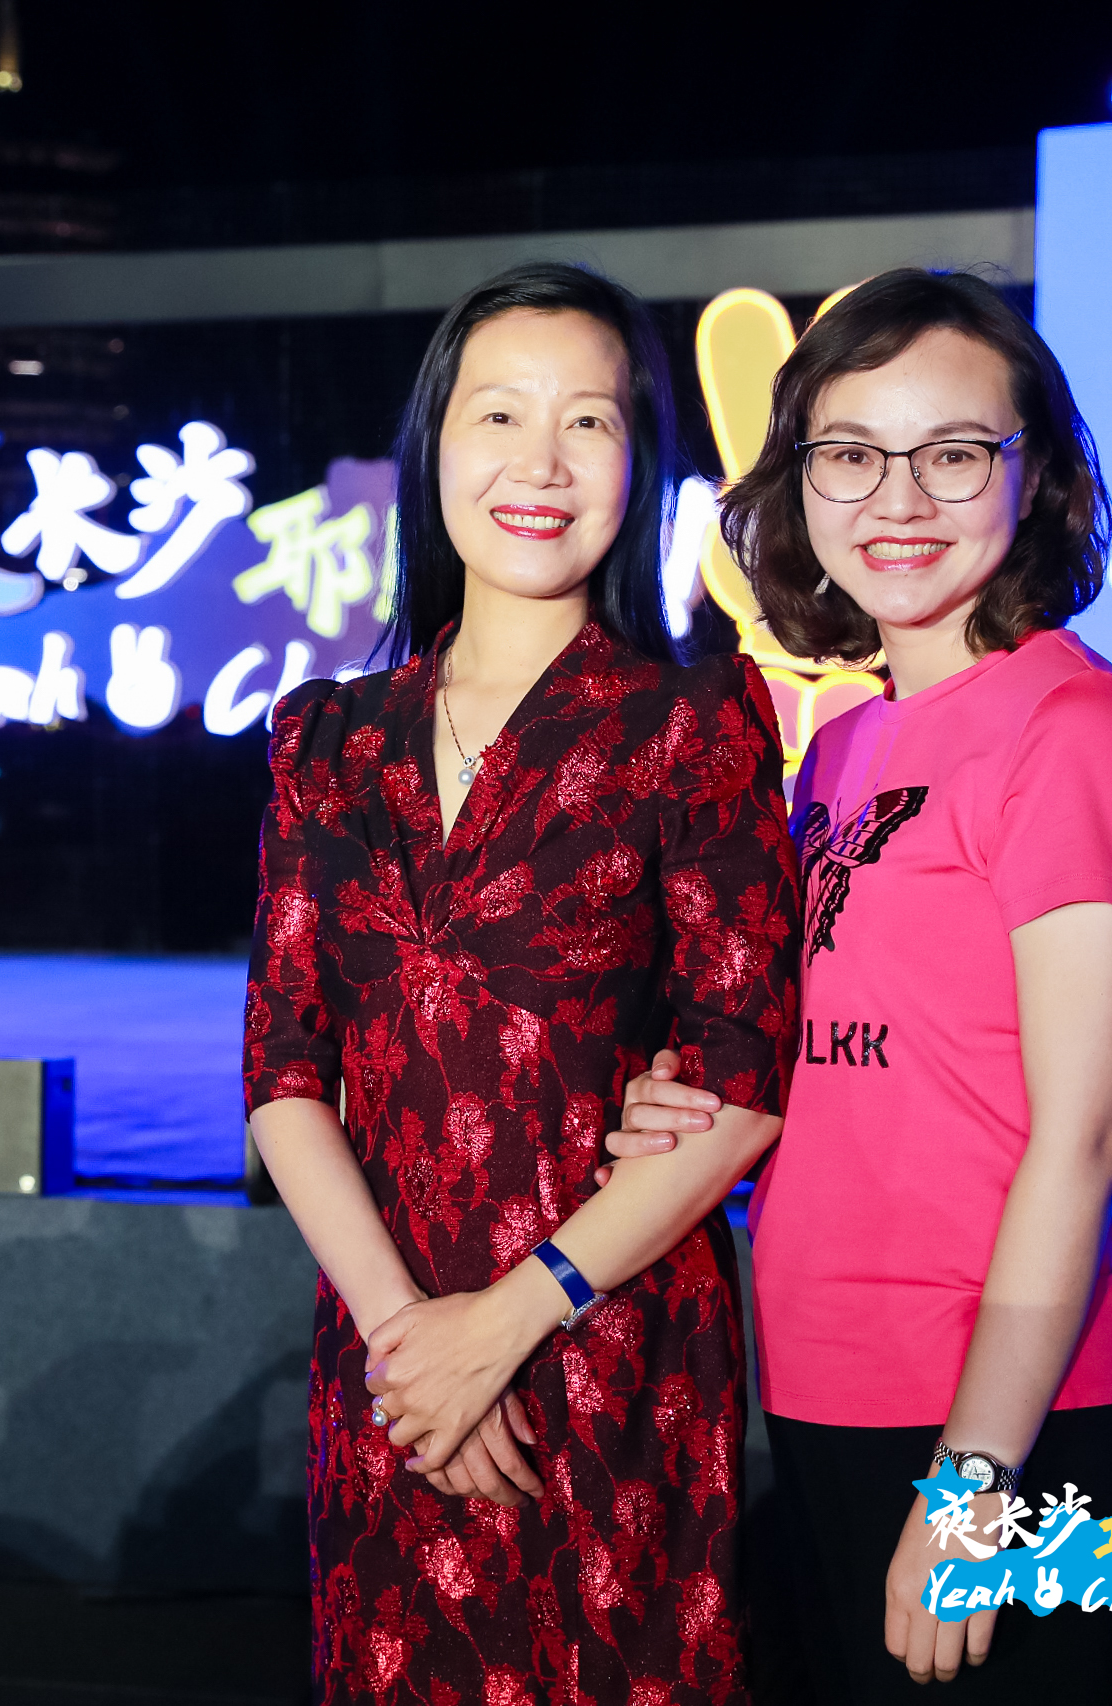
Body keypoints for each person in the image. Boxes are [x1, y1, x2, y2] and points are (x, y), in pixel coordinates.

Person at [613, 269, 1112, 1701]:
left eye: (955, 454)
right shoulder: (845, 745)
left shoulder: (1073, 728)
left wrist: (973, 1481)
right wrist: (693, 1107)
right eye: (852, 455)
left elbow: (1083, 1135)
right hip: (823, 1376)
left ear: (1036, 474)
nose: (900, 499)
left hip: (998, 1421)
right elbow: (863, 1054)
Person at [242, 260, 800, 1705]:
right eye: (499, 415)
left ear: (640, 461)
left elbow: (744, 1084)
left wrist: (502, 1325)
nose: (540, 464)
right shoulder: (328, 740)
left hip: (609, 1348)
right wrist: (411, 1347)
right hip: (392, 1369)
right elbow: (285, 1077)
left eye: (589, 422)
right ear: (434, 444)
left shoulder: (692, 720)